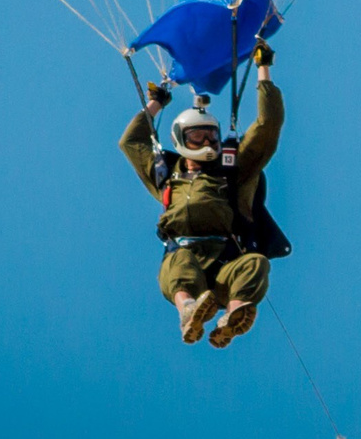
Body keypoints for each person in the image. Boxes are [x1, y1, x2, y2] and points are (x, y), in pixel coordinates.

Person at [120, 41, 281, 346]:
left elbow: (267, 127)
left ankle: (234, 315)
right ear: (181, 140)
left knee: (256, 263)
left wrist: (263, 68)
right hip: (186, 262)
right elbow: (131, 142)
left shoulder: (234, 170)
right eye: (197, 137)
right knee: (178, 262)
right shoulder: (166, 176)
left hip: (225, 269)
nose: (207, 142)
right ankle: (189, 311)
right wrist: (157, 102)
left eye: (211, 135)